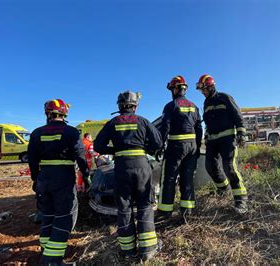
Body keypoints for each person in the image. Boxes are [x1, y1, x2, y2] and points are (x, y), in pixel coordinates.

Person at [94, 91, 162, 261]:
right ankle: (148, 250)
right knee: (145, 205)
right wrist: (144, 148)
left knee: (124, 208)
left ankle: (128, 251)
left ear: (119, 106)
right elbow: (158, 143)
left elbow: (98, 145)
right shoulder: (143, 121)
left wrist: (115, 151)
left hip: (122, 167)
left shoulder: (113, 123)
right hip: (141, 165)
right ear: (135, 106)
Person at [28, 99, 89, 265]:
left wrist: (36, 179)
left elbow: (32, 161)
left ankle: (46, 252)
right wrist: (87, 176)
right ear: (65, 113)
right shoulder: (71, 132)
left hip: (43, 179)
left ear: (47, 113)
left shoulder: (36, 133)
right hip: (63, 179)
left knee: (48, 217)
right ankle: (52, 260)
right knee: (64, 217)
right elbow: (80, 157)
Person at [196, 74, 248, 214]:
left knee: (229, 167)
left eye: (204, 90)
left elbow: (238, 116)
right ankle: (224, 190)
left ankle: (241, 200)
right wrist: (206, 137)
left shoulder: (225, 97)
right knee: (210, 167)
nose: (203, 93)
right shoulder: (206, 103)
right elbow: (207, 123)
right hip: (212, 141)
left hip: (227, 139)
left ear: (211, 87)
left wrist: (242, 133)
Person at [157, 76, 202, 221]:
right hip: (192, 147)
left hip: (175, 147)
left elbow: (165, 128)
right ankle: (187, 211)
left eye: (172, 89)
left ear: (176, 89)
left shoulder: (170, 106)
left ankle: (165, 212)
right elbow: (199, 129)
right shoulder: (194, 106)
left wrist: (159, 146)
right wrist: (197, 147)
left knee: (169, 178)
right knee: (187, 178)